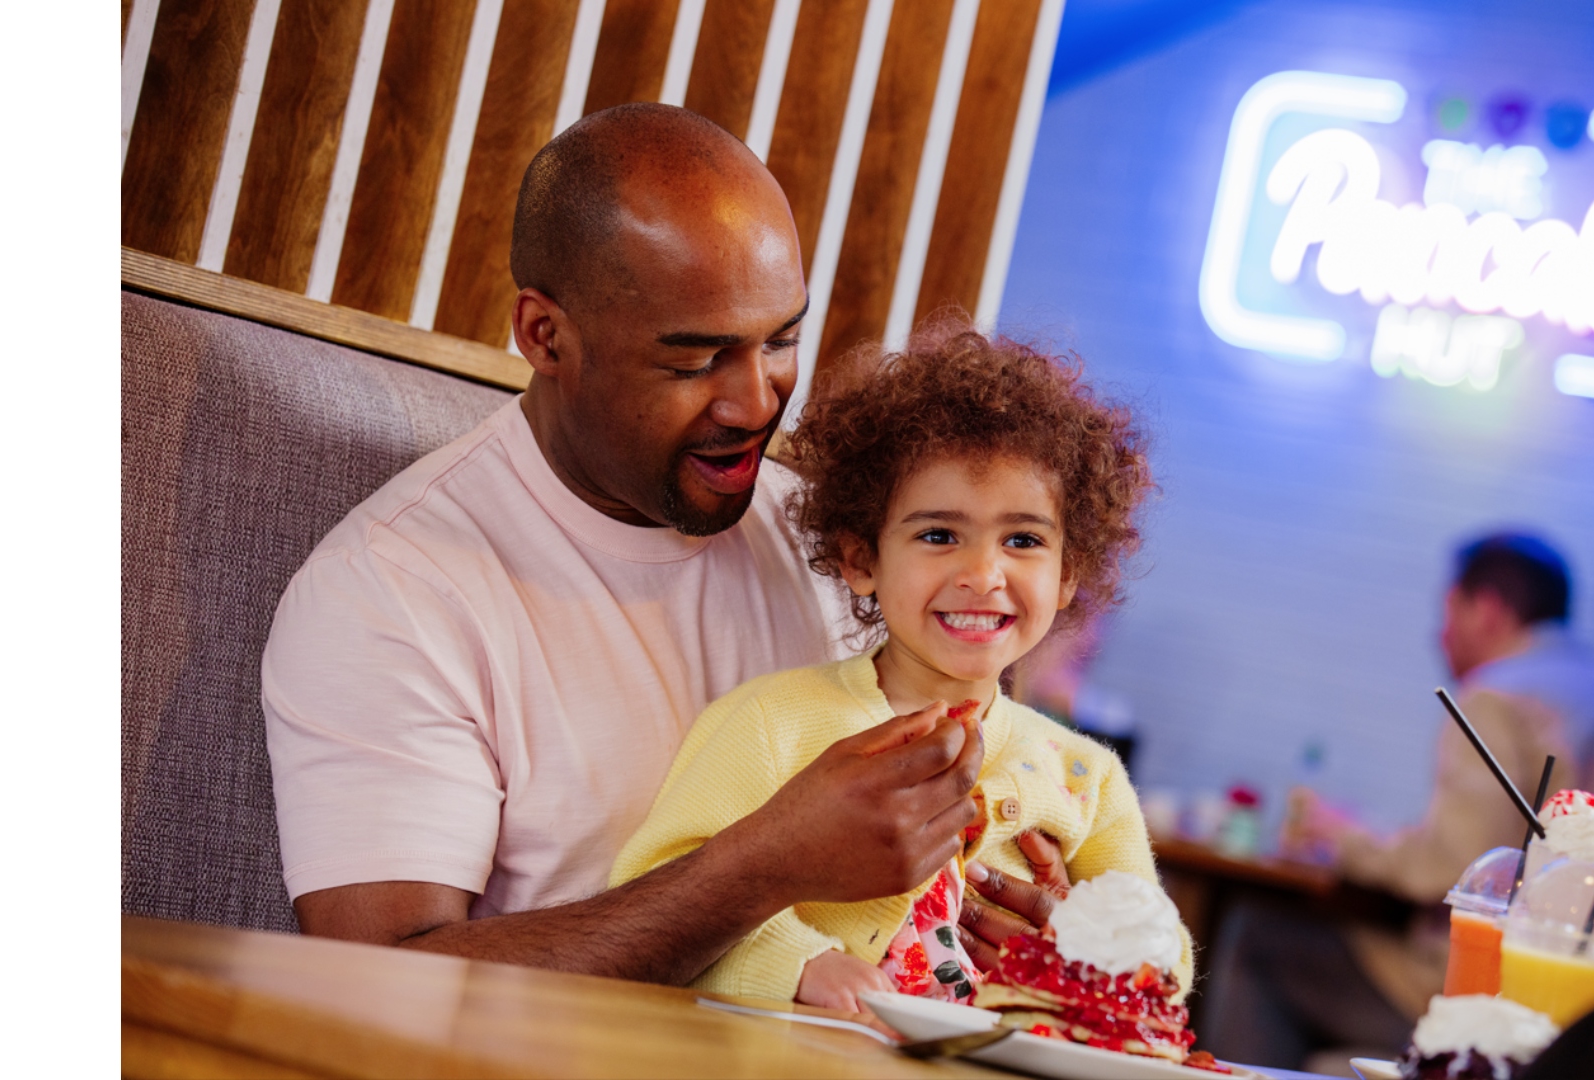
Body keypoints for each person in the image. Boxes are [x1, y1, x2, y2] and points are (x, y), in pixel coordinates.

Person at [259, 104, 1063, 985]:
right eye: (693, 361)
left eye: (782, 339)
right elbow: (376, 986)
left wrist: (1013, 916)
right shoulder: (395, 591)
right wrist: (765, 865)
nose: (755, 403)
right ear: (545, 335)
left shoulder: (838, 543)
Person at [608, 323, 1177, 1015]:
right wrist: (800, 964)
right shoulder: (771, 723)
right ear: (862, 560)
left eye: (1023, 539)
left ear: (1066, 578)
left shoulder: (1087, 779)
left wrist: (1097, 959)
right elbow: (664, 889)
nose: (982, 574)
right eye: (939, 535)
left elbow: (1158, 959)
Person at [1198, 532, 1594, 1071]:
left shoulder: (1497, 693)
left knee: (1257, 937)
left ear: (1486, 610)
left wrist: (1340, 836)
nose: (1437, 635)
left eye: (1447, 612)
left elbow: (1449, 866)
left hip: (1489, 987)